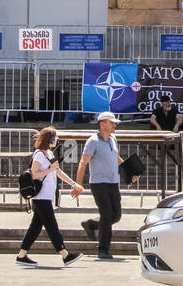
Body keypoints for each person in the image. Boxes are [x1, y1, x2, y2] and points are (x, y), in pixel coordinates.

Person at [75, 112, 140, 260]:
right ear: (102, 124)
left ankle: (91, 224)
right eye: (112, 123)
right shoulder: (92, 141)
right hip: (99, 183)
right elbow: (83, 162)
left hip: (113, 182)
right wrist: (78, 184)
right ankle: (103, 249)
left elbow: (115, 157)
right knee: (105, 215)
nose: (115, 125)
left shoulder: (113, 139)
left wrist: (130, 172)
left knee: (115, 215)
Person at [16, 127, 82, 267]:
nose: (57, 140)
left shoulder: (50, 153)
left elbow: (58, 172)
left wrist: (74, 184)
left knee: (35, 228)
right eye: (55, 137)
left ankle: (21, 255)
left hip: (46, 197)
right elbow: (34, 174)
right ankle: (65, 255)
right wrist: (50, 169)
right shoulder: (39, 155)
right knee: (52, 227)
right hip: (41, 197)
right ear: (50, 139)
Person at [149, 93, 183, 184]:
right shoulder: (157, 111)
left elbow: (180, 118)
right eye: (165, 103)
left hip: (171, 132)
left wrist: (176, 126)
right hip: (161, 133)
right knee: (152, 127)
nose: (167, 104)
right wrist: (157, 126)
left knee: (180, 127)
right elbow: (152, 119)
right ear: (162, 104)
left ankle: (173, 145)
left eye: (168, 102)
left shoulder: (174, 110)